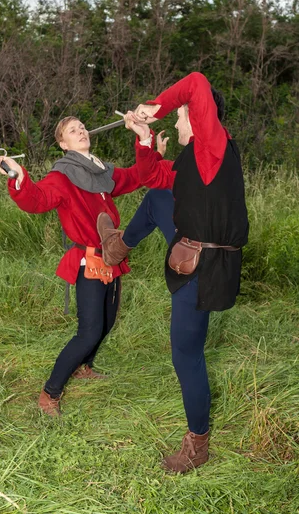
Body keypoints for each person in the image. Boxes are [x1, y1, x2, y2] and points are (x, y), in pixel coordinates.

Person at [97, 72, 249, 473]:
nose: (177, 123)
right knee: (154, 198)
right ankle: (117, 247)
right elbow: (153, 177)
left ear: (197, 117)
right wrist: (144, 140)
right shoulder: (194, 160)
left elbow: (197, 81)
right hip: (196, 251)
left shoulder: (212, 146)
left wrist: (154, 106)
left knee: (185, 354)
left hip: (204, 267)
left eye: (179, 116)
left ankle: (198, 444)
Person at [0, 116, 166, 417]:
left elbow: (137, 176)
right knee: (89, 330)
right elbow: (38, 199)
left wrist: (153, 151)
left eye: (83, 127)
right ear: (63, 144)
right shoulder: (62, 176)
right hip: (88, 261)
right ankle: (50, 393)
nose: (82, 131)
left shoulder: (101, 171)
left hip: (111, 256)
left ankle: (83, 367)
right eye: (73, 130)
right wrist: (18, 177)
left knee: (108, 322)